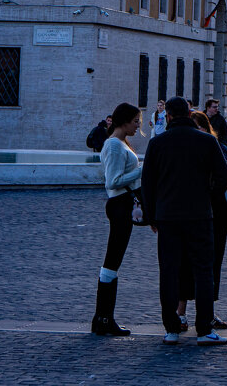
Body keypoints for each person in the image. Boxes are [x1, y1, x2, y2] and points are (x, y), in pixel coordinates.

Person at [140, 96, 227, 346]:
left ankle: (171, 328)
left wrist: (151, 215)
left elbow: (147, 183)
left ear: (167, 116)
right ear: (190, 113)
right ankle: (204, 329)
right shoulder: (206, 140)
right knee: (203, 271)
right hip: (200, 214)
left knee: (169, 272)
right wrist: (208, 195)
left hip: (167, 216)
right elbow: (224, 176)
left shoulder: (157, 143)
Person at [93, 102, 144, 336]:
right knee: (112, 259)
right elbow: (112, 181)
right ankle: (103, 318)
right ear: (124, 121)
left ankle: (103, 318)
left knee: (113, 259)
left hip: (122, 204)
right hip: (119, 204)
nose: (138, 127)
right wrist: (142, 170)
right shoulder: (114, 145)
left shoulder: (118, 143)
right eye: (136, 122)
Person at [187, 110, 227, 331]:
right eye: (194, 127)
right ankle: (181, 312)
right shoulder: (186, 150)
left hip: (218, 214)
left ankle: (208, 311)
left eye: (201, 127)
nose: (198, 132)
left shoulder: (223, 150)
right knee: (186, 263)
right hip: (194, 213)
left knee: (214, 263)